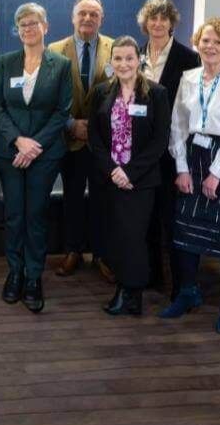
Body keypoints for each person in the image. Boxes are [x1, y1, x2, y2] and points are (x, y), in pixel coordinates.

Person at [158, 17, 220, 334]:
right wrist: (182, 168)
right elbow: (177, 125)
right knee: (186, 232)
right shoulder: (189, 78)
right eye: (205, 40)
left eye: (217, 41)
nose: (210, 46)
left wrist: (216, 172)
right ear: (197, 44)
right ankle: (188, 292)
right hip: (192, 156)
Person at [0, 2, 72, 313]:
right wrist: (19, 141)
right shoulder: (6, 63)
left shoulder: (61, 65)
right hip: (10, 152)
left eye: (33, 23)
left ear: (45, 27)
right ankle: (15, 273)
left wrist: (34, 145)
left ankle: (34, 277)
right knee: (14, 215)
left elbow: (62, 111)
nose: (27, 29)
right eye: (22, 24)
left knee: (36, 216)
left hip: (45, 154)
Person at [87, 36, 170, 316]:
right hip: (108, 179)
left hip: (140, 181)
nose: (124, 64)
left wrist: (129, 172)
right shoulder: (100, 93)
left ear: (139, 60)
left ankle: (130, 292)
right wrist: (113, 171)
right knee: (115, 236)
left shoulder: (157, 94)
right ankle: (128, 292)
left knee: (133, 236)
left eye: (129, 58)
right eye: (118, 58)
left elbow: (160, 141)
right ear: (111, 62)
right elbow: (94, 139)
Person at [136, 0, 201, 298]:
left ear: (172, 23)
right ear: (145, 23)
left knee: (173, 219)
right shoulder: (136, 55)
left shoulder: (189, 58)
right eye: (153, 18)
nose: (158, 24)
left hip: (175, 150)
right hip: (142, 151)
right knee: (147, 217)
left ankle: (179, 285)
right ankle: (150, 275)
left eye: (164, 18)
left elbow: (192, 107)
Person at [47, 0, 114, 281]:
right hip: (69, 137)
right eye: (82, 14)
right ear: (73, 17)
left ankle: (101, 254)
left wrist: (96, 128)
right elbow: (48, 97)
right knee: (72, 198)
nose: (88, 19)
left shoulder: (116, 48)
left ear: (102, 19)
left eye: (94, 14)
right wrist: (72, 123)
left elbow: (121, 94)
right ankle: (73, 251)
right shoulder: (54, 49)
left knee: (103, 200)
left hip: (103, 141)